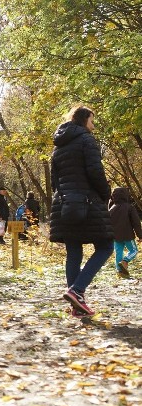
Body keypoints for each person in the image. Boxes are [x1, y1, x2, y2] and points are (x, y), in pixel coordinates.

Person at [49, 106, 113, 317]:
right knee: (105, 246)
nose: (93, 126)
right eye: (92, 121)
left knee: (73, 251)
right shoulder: (86, 140)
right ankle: (77, 290)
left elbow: (54, 182)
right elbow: (95, 171)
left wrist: (64, 196)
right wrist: (106, 193)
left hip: (64, 204)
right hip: (87, 202)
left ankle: (76, 306)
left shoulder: (58, 147)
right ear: (84, 119)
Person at [108, 187, 141, 279]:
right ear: (125, 195)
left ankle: (120, 271)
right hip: (128, 235)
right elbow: (136, 223)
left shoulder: (111, 209)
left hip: (116, 236)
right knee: (134, 250)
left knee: (119, 252)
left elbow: (108, 223)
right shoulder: (129, 207)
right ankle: (125, 261)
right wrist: (140, 235)